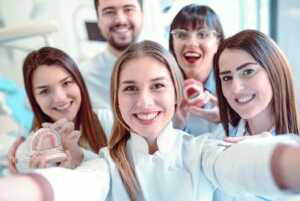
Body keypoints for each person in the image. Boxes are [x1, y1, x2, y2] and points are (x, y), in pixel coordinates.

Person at [1, 40, 300, 201]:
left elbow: (243, 164)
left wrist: (288, 161)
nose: (144, 102)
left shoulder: (203, 152)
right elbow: (75, 188)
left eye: (157, 86)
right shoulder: (105, 164)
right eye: (130, 88)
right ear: (116, 99)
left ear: (175, 94)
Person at [212, 29, 300, 201]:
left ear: (274, 71)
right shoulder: (220, 136)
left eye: (248, 72)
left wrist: (270, 153)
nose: (236, 88)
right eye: (227, 78)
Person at [8, 47, 112, 173]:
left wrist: (78, 155)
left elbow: (124, 182)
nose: (60, 98)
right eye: (44, 91)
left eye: (66, 83)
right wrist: (48, 182)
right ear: (33, 99)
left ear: (79, 82)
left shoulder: (107, 121)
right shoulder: (26, 154)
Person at [79, 0, 144, 110]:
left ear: (142, 14)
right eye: (109, 12)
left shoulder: (166, 68)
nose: (120, 20)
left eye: (128, 9)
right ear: (98, 19)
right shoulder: (83, 78)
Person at [169, 4, 224, 136]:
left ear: (218, 43)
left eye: (203, 34)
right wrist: (174, 129)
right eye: (182, 35)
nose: (192, 43)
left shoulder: (232, 88)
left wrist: (228, 121)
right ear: (172, 43)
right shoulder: (164, 90)